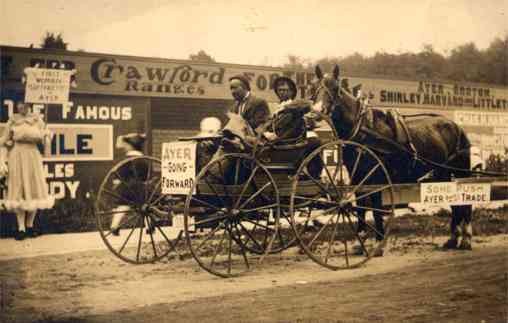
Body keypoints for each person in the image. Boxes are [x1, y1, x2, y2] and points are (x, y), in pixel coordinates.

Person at [0, 102, 54, 240]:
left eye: (24, 104)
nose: (21, 107)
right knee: (19, 190)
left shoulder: (37, 119)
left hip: (33, 155)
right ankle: (21, 228)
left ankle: (30, 226)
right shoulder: (13, 120)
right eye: (19, 105)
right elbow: (4, 139)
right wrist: (3, 157)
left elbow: (45, 140)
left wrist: (47, 135)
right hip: (17, 156)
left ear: (29, 105)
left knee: (33, 189)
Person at [109, 133, 148, 236]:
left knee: (122, 206)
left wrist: (116, 183)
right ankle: (149, 226)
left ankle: (114, 225)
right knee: (146, 207)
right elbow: (145, 175)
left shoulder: (125, 160)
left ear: (130, 146)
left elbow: (119, 174)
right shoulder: (143, 160)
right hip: (140, 188)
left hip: (127, 187)